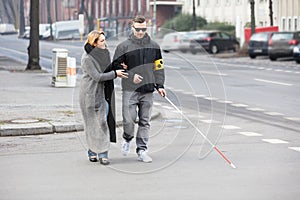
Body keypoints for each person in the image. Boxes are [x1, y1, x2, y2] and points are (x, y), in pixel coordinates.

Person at [113, 15, 166, 163]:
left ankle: (142, 150)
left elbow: (159, 68)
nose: (141, 32)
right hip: (130, 90)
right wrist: (131, 76)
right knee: (129, 120)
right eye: (138, 29)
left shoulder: (154, 46)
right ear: (132, 28)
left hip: (148, 90)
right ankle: (127, 138)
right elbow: (116, 66)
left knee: (145, 121)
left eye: (143, 29)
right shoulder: (123, 46)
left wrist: (160, 86)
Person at [79, 30, 128, 165]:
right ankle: (93, 152)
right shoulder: (87, 59)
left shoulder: (105, 53)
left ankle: (103, 153)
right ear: (94, 44)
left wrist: (118, 67)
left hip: (104, 94)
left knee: (102, 123)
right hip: (90, 94)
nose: (104, 43)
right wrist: (115, 74)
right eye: (101, 41)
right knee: (92, 125)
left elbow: (107, 69)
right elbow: (98, 76)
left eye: (104, 40)